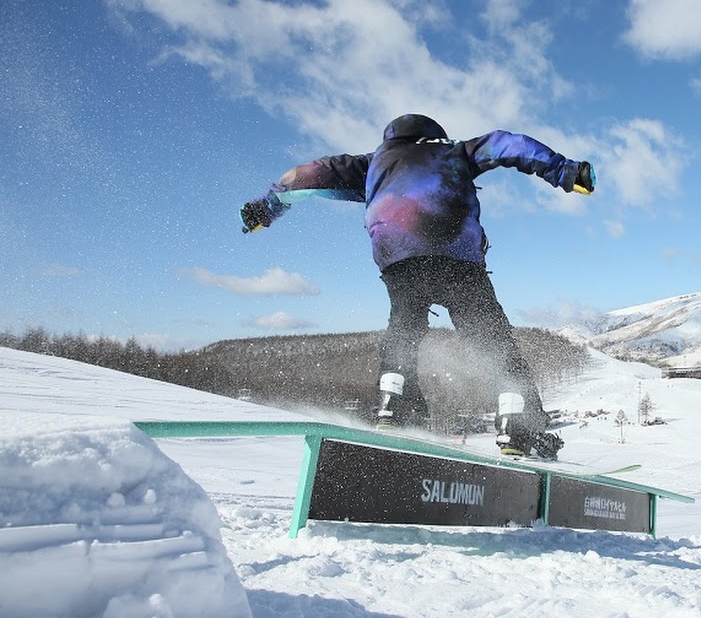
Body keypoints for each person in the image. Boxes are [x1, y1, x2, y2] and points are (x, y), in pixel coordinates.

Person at [241, 114, 595, 458]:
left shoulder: (373, 164)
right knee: (489, 335)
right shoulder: (453, 151)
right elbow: (508, 144)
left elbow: (306, 176)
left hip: (398, 254)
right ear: (433, 135)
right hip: (455, 252)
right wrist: (565, 171)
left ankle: (395, 403)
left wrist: (265, 208)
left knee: (405, 323)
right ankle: (519, 424)